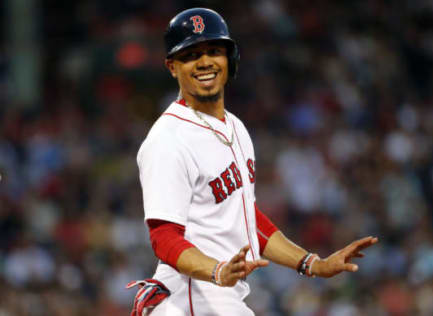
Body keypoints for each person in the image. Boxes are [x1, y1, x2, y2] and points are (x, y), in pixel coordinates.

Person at [127, 7, 378, 316]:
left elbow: (246, 218)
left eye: (213, 50)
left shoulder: (236, 128)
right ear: (172, 67)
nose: (205, 61)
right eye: (191, 55)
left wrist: (312, 264)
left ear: (229, 59)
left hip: (220, 296)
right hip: (190, 296)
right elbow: (163, 237)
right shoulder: (168, 139)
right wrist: (217, 270)